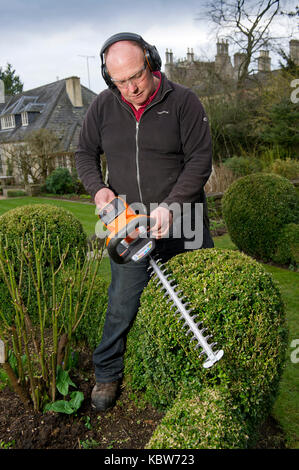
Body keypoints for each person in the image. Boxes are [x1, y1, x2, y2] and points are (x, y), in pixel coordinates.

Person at [75, 32, 214, 412]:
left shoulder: (184, 102)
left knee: (203, 297)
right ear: (108, 80)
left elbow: (200, 161)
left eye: (136, 75)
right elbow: (84, 153)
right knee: (121, 303)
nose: (131, 87)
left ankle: (207, 375)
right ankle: (106, 373)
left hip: (184, 220)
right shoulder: (103, 106)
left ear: (151, 62)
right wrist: (98, 190)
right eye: (119, 81)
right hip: (130, 225)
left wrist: (172, 205)